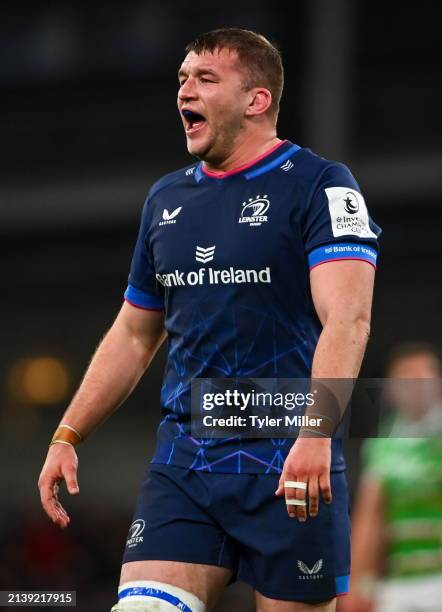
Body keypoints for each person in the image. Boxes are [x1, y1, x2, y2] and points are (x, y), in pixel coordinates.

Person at [38, 28, 381, 612]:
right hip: (187, 463)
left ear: (257, 100)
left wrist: (316, 433)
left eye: (204, 78)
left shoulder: (321, 186)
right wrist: (68, 432)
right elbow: (133, 331)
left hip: (290, 461)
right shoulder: (166, 201)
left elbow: (347, 319)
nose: (183, 91)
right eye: (181, 79)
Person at [339, 344, 442, 612]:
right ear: (392, 391)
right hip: (401, 581)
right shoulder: (382, 445)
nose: (415, 388)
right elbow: (370, 516)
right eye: (405, 381)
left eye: (423, 379)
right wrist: (358, 581)